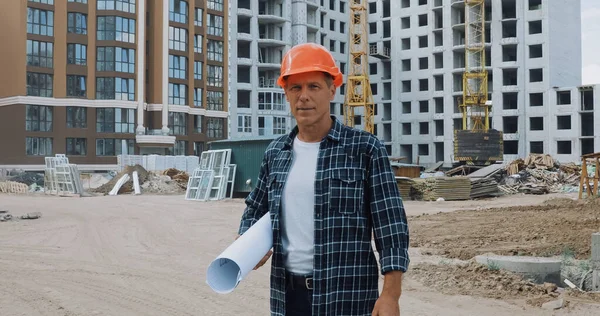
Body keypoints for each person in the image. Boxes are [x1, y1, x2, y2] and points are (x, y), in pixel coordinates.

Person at [237, 43, 410, 316]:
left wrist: (391, 295)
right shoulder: (275, 153)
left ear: (332, 89)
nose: (303, 96)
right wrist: (248, 245)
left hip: (348, 300)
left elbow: (391, 227)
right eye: (295, 88)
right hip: (288, 299)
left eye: (313, 87)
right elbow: (255, 208)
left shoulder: (365, 149)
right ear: (285, 92)